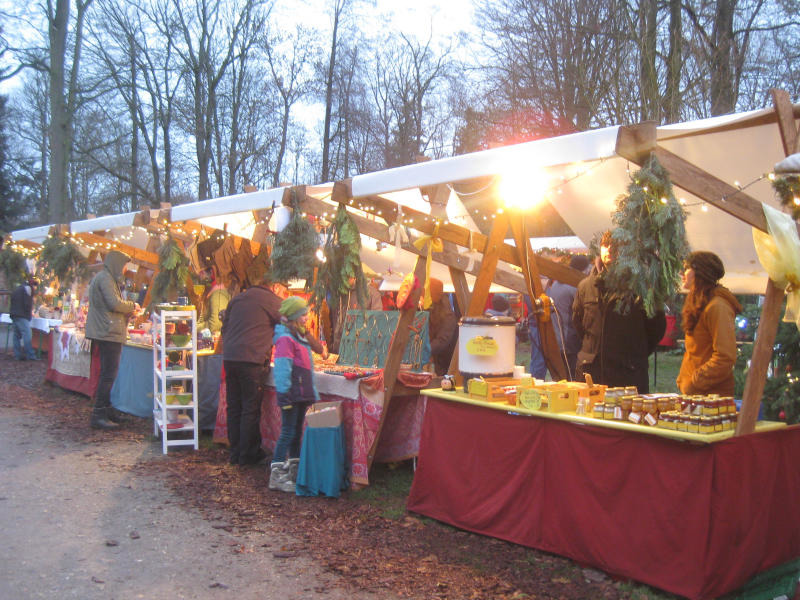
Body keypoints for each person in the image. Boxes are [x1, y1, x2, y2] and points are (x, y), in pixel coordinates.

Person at [572, 231, 665, 393]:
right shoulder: (585, 286)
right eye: (605, 245)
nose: (609, 249)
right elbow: (579, 324)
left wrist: (634, 353)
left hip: (627, 374)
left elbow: (656, 327)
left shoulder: (642, 287)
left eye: (616, 246)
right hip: (591, 373)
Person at [220, 272, 283, 466]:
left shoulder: (238, 298)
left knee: (234, 405)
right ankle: (247, 455)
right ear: (274, 287)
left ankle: (235, 452)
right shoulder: (273, 301)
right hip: (252, 359)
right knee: (249, 407)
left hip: (230, 357)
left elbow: (225, 327)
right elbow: (291, 324)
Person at [269, 296, 327, 493]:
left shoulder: (299, 335)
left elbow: (313, 352)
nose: (306, 317)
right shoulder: (286, 338)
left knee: (296, 433)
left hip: (301, 393)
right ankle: (276, 475)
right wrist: (283, 394)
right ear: (294, 316)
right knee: (287, 432)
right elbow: (283, 367)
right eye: (303, 314)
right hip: (292, 393)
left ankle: (294, 471)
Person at [85, 251, 140, 429]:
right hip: (108, 331)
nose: (125, 270)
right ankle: (99, 414)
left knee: (107, 373)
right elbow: (114, 303)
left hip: (106, 330)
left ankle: (106, 410)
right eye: (124, 265)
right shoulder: (106, 279)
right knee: (108, 374)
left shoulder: (104, 277)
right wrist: (133, 306)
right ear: (117, 264)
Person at [676, 251, 742, 396]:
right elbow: (695, 353)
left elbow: (725, 357)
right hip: (695, 396)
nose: (682, 273)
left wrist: (694, 382)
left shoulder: (718, 306)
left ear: (700, 272)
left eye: (687, 268)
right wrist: (683, 380)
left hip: (712, 400)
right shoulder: (700, 302)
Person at [547, 254, 590, 380]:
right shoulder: (573, 288)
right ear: (582, 270)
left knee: (561, 378)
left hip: (558, 340)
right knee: (572, 379)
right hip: (569, 341)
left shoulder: (556, 285)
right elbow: (581, 316)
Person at [427, 278, 458, 376]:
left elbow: (442, 340)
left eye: (425, 290)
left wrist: (423, 351)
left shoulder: (447, 314)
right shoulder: (430, 308)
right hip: (436, 362)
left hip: (444, 365)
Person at [9, 277, 39, 361]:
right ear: (33, 285)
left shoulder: (18, 288)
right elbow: (27, 304)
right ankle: (31, 355)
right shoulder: (28, 288)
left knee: (16, 336)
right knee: (27, 335)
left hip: (14, 314)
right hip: (21, 315)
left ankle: (17, 355)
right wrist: (29, 314)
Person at [197, 267, 233, 334]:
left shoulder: (218, 295)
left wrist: (195, 328)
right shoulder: (214, 293)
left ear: (212, 272)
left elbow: (215, 324)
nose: (200, 275)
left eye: (202, 272)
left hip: (216, 341)